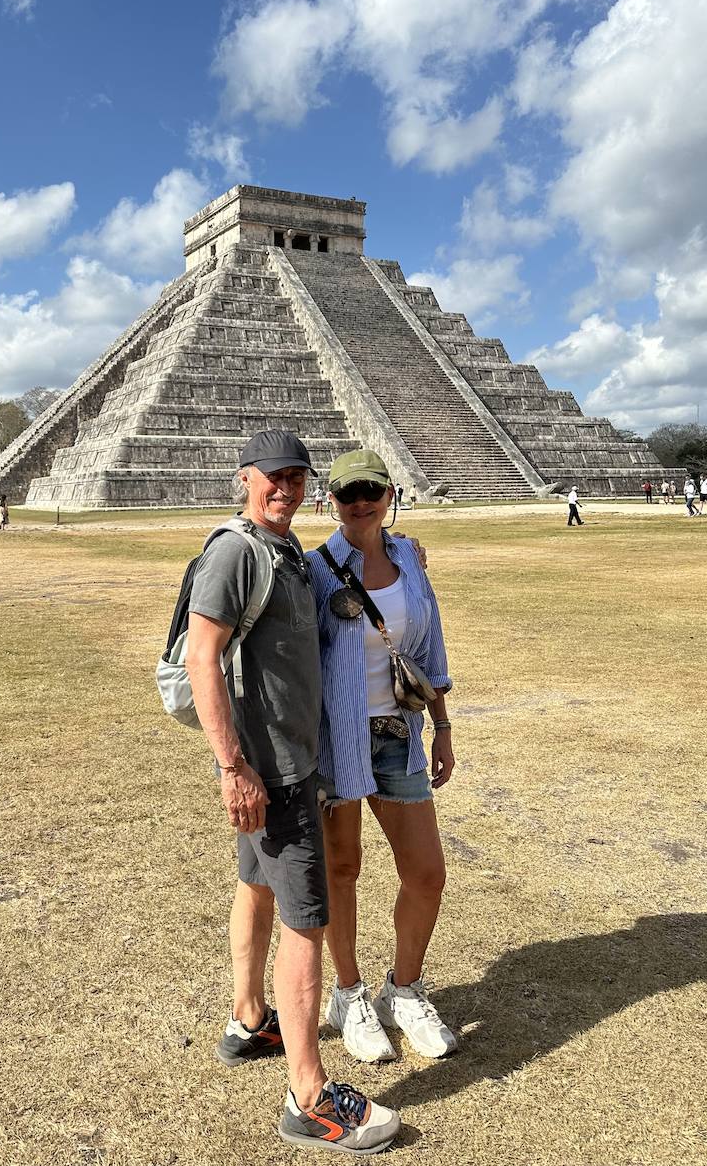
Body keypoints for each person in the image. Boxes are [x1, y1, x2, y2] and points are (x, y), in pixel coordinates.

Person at [184, 429, 400, 1154]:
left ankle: (249, 1021)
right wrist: (232, 767)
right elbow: (201, 656)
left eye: (296, 477)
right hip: (268, 770)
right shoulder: (234, 552)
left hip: (285, 761)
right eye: (271, 477)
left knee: (257, 886)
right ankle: (307, 1096)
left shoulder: (283, 551)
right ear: (243, 479)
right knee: (307, 922)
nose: (285, 488)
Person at [306, 449, 456, 1065]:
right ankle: (347, 994)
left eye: (371, 489)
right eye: (347, 494)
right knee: (341, 869)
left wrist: (443, 725)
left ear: (390, 492)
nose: (360, 502)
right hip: (338, 735)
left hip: (399, 733)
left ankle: (406, 989)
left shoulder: (411, 560)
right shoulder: (312, 570)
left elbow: (432, 642)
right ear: (332, 501)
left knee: (425, 871)